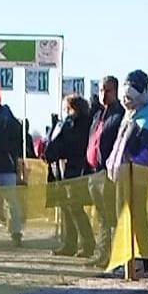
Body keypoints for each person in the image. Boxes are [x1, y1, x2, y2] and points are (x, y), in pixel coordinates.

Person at [106, 70, 148, 273]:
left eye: (130, 98)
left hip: (134, 175)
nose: (125, 101)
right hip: (123, 173)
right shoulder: (131, 114)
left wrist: (134, 162)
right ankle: (129, 257)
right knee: (124, 216)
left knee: (135, 216)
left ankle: (139, 259)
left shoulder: (146, 117)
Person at [44, 93, 95, 257]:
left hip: (75, 169)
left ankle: (87, 243)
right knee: (66, 208)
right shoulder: (69, 124)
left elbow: (70, 144)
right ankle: (70, 243)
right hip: (64, 169)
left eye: (67, 108)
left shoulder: (79, 124)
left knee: (75, 208)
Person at [85, 75, 124, 267]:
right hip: (94, 172)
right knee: (101, 217)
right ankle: (102, 253)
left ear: (115, 91)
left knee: (110, 217)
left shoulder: (120, 115)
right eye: (101, 90)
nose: (103, 94)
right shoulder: (98, 115)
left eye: (107, 90)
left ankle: (113, 255)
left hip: (109, 173)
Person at [0, 82, 24, 245]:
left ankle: (16, 233)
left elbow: (17, 141)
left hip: (6, 165)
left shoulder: (8, 120)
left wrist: (8, 152)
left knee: (11, 200)